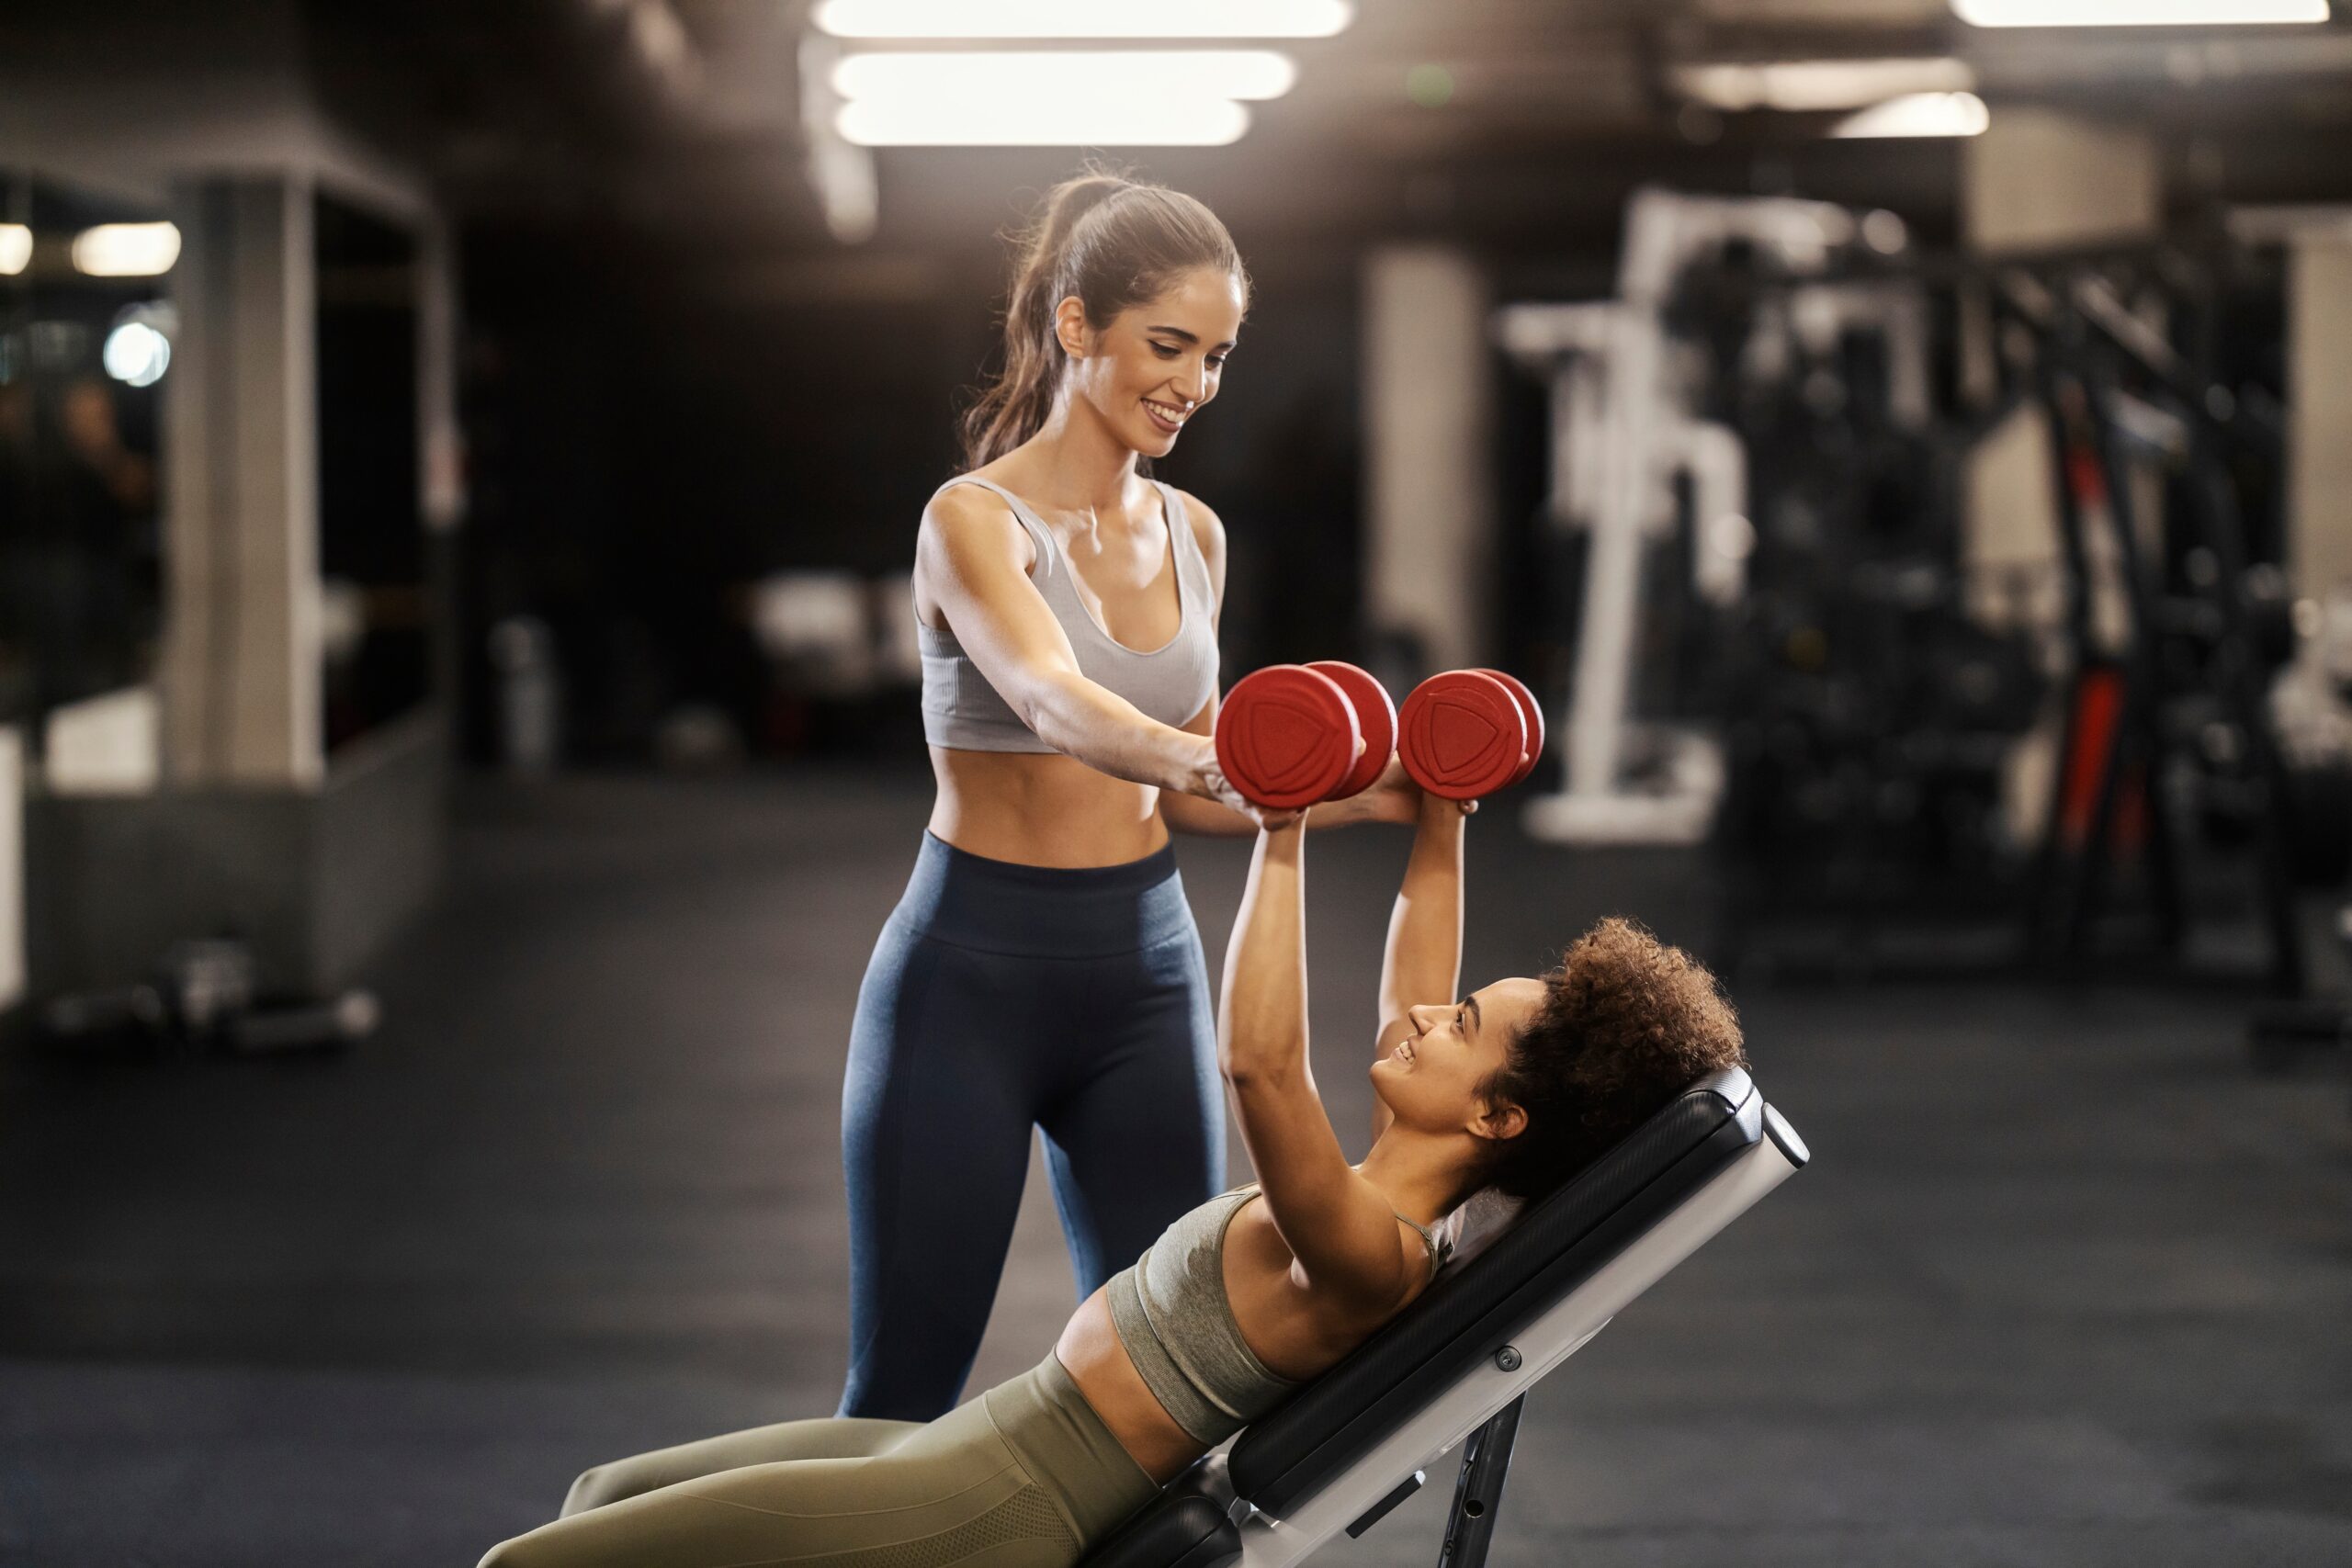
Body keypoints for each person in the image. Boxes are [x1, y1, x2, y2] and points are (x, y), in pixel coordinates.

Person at [480, 790, 1749, 1568]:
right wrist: (1445, 814)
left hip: (994, 1506)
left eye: (1462, 1025)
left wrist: (1285, 827)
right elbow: (1418, 976)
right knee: (606, 1500)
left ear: (1494, 1112)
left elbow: (1258, 1063)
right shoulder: (1395, 1191)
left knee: (532, 1566)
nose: (1424, 1014)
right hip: (989, 1441)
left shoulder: (1368, 1253)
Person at [839, 168, 1421, 1422]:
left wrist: (1386, 794)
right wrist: (1211, 758)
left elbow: (1209, 793)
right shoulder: (974, 523)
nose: (1195, 385)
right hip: (968, 976)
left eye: (1215, 356)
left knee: (1174, 1386)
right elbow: (1056, 704)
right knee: (903, 1392)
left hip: (1142, 975)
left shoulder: (1196, 535)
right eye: (1168, 346)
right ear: (1072, 325)